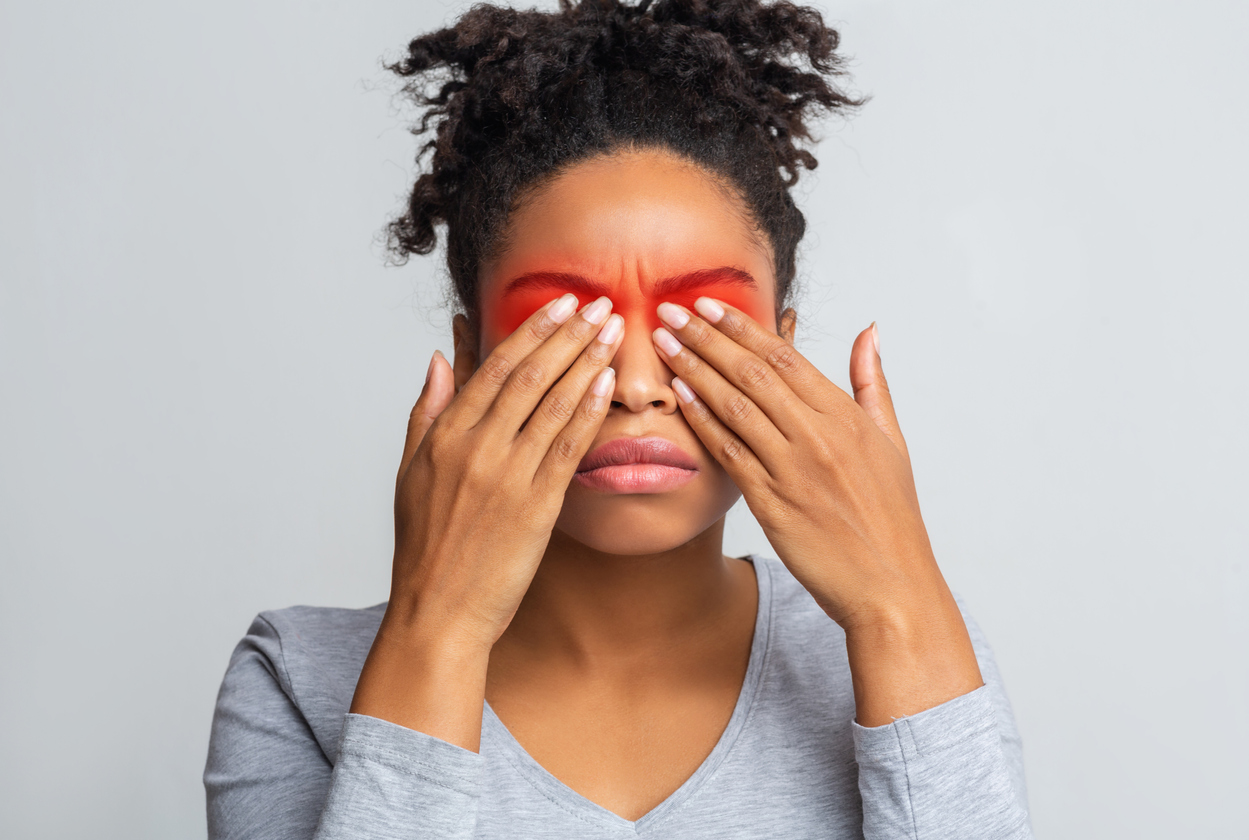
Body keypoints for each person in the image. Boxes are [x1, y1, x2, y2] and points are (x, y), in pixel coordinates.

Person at [204, 1, 1033, 837]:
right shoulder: (296, 681)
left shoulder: (917, 647)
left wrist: (898, 606)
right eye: (567, 326)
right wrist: (438, 633)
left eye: (699, 322)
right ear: (473, 354)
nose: (638, 384)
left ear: (783, 347)